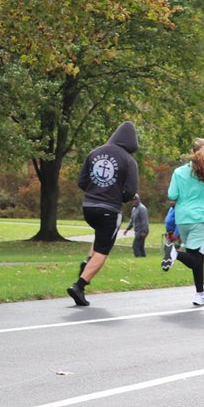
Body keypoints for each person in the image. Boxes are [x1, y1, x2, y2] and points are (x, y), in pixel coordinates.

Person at [67, 121, 139, 307]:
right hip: (110, 209)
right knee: (103, 250)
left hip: (88, 207)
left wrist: (96, 190)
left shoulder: (95, 152)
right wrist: (117, 196)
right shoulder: (129, 160)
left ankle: (86, 263)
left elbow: (82, 182)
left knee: (99, 237)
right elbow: (130, 191)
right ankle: (79, 286)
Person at [162, 138, 204, 306]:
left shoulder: (179, 172)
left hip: (183, 220)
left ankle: (200, 294)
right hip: (201, 219)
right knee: (195, 259)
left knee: (198, 256)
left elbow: (172, 195)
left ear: (192, 151)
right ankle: (174, 253)